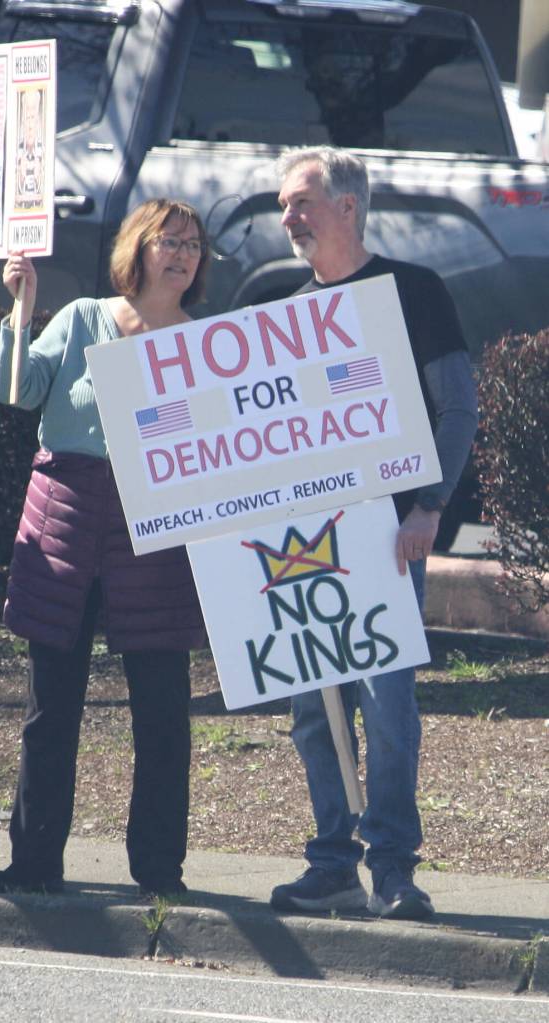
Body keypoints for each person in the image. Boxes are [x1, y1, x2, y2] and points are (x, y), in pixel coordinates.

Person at [270, 146, 478, 921]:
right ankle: (331, 861)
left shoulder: (413, 291)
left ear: (347, 206)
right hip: (303, 548)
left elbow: (456, 408)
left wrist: (428, 506)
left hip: (390, 536)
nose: (287, 216)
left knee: (386, 705)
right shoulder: (288, 312)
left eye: (299, 202)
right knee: (309, 705)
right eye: (283, 204)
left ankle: (391, 865)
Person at [0, 199, 209, 898]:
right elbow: (17, 392)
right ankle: (34, 862)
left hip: (156, 533)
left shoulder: (207, 341)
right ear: (136, 250)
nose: (180, 254)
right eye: (167, 240)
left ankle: (159, 871)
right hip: (68, 524)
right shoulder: (83, 317)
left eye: (192, 244)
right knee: (52, 705)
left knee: (163, 709)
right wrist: (22, 308)